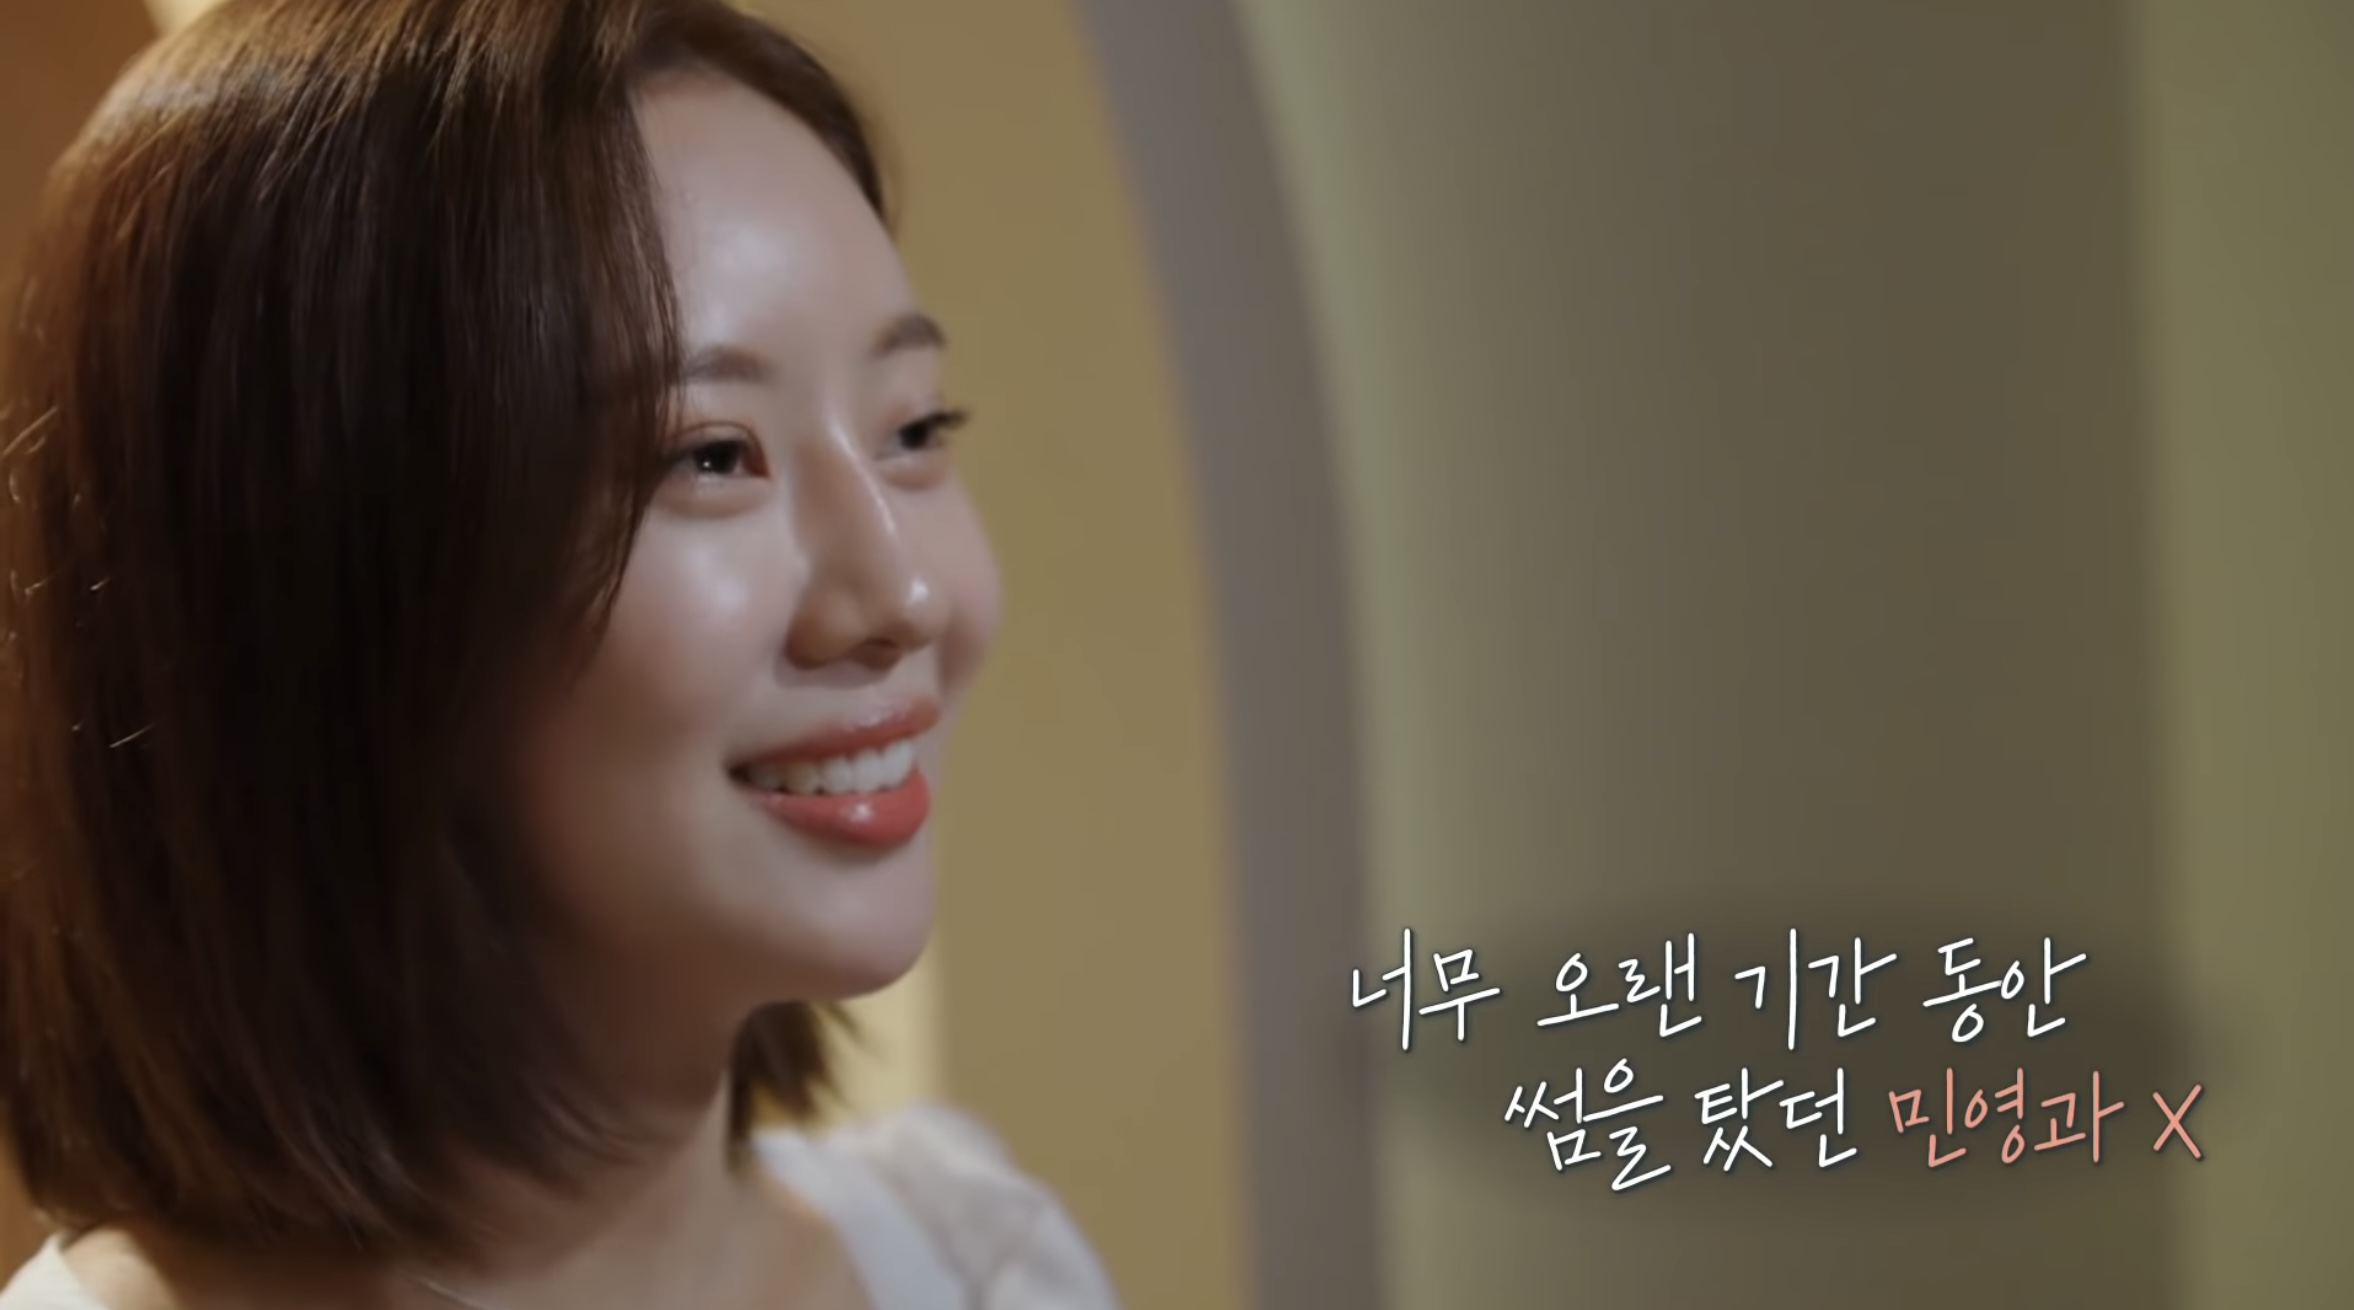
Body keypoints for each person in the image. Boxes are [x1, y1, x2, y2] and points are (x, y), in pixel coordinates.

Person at [0, 0, 1119, 1306]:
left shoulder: (980, 1259)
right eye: (710, 456)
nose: (905, 591)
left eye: (913, 429)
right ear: (313, 587)